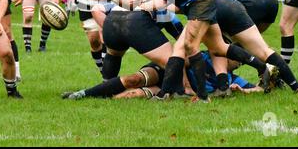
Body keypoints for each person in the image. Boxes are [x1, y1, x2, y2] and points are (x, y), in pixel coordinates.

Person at [118, 0, 271, 102]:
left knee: (196, 47)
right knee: (215, 48)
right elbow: (168, 0)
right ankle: (235, 80)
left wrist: (143, 0)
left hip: (210, 5)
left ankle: (200, 94)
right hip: (209, 4)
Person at [62, 51, 263, 100]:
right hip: (169, 71)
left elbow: (260, 89)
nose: (239, 61)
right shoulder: (205, 56)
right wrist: (185, 85)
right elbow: (179, 55)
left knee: (134, 95)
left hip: (172, 91)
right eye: (238, 56)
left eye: (242, 60)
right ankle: (82, 94)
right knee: (134, 79)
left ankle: (103, 100)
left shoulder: (232, 80)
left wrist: (244, 91)